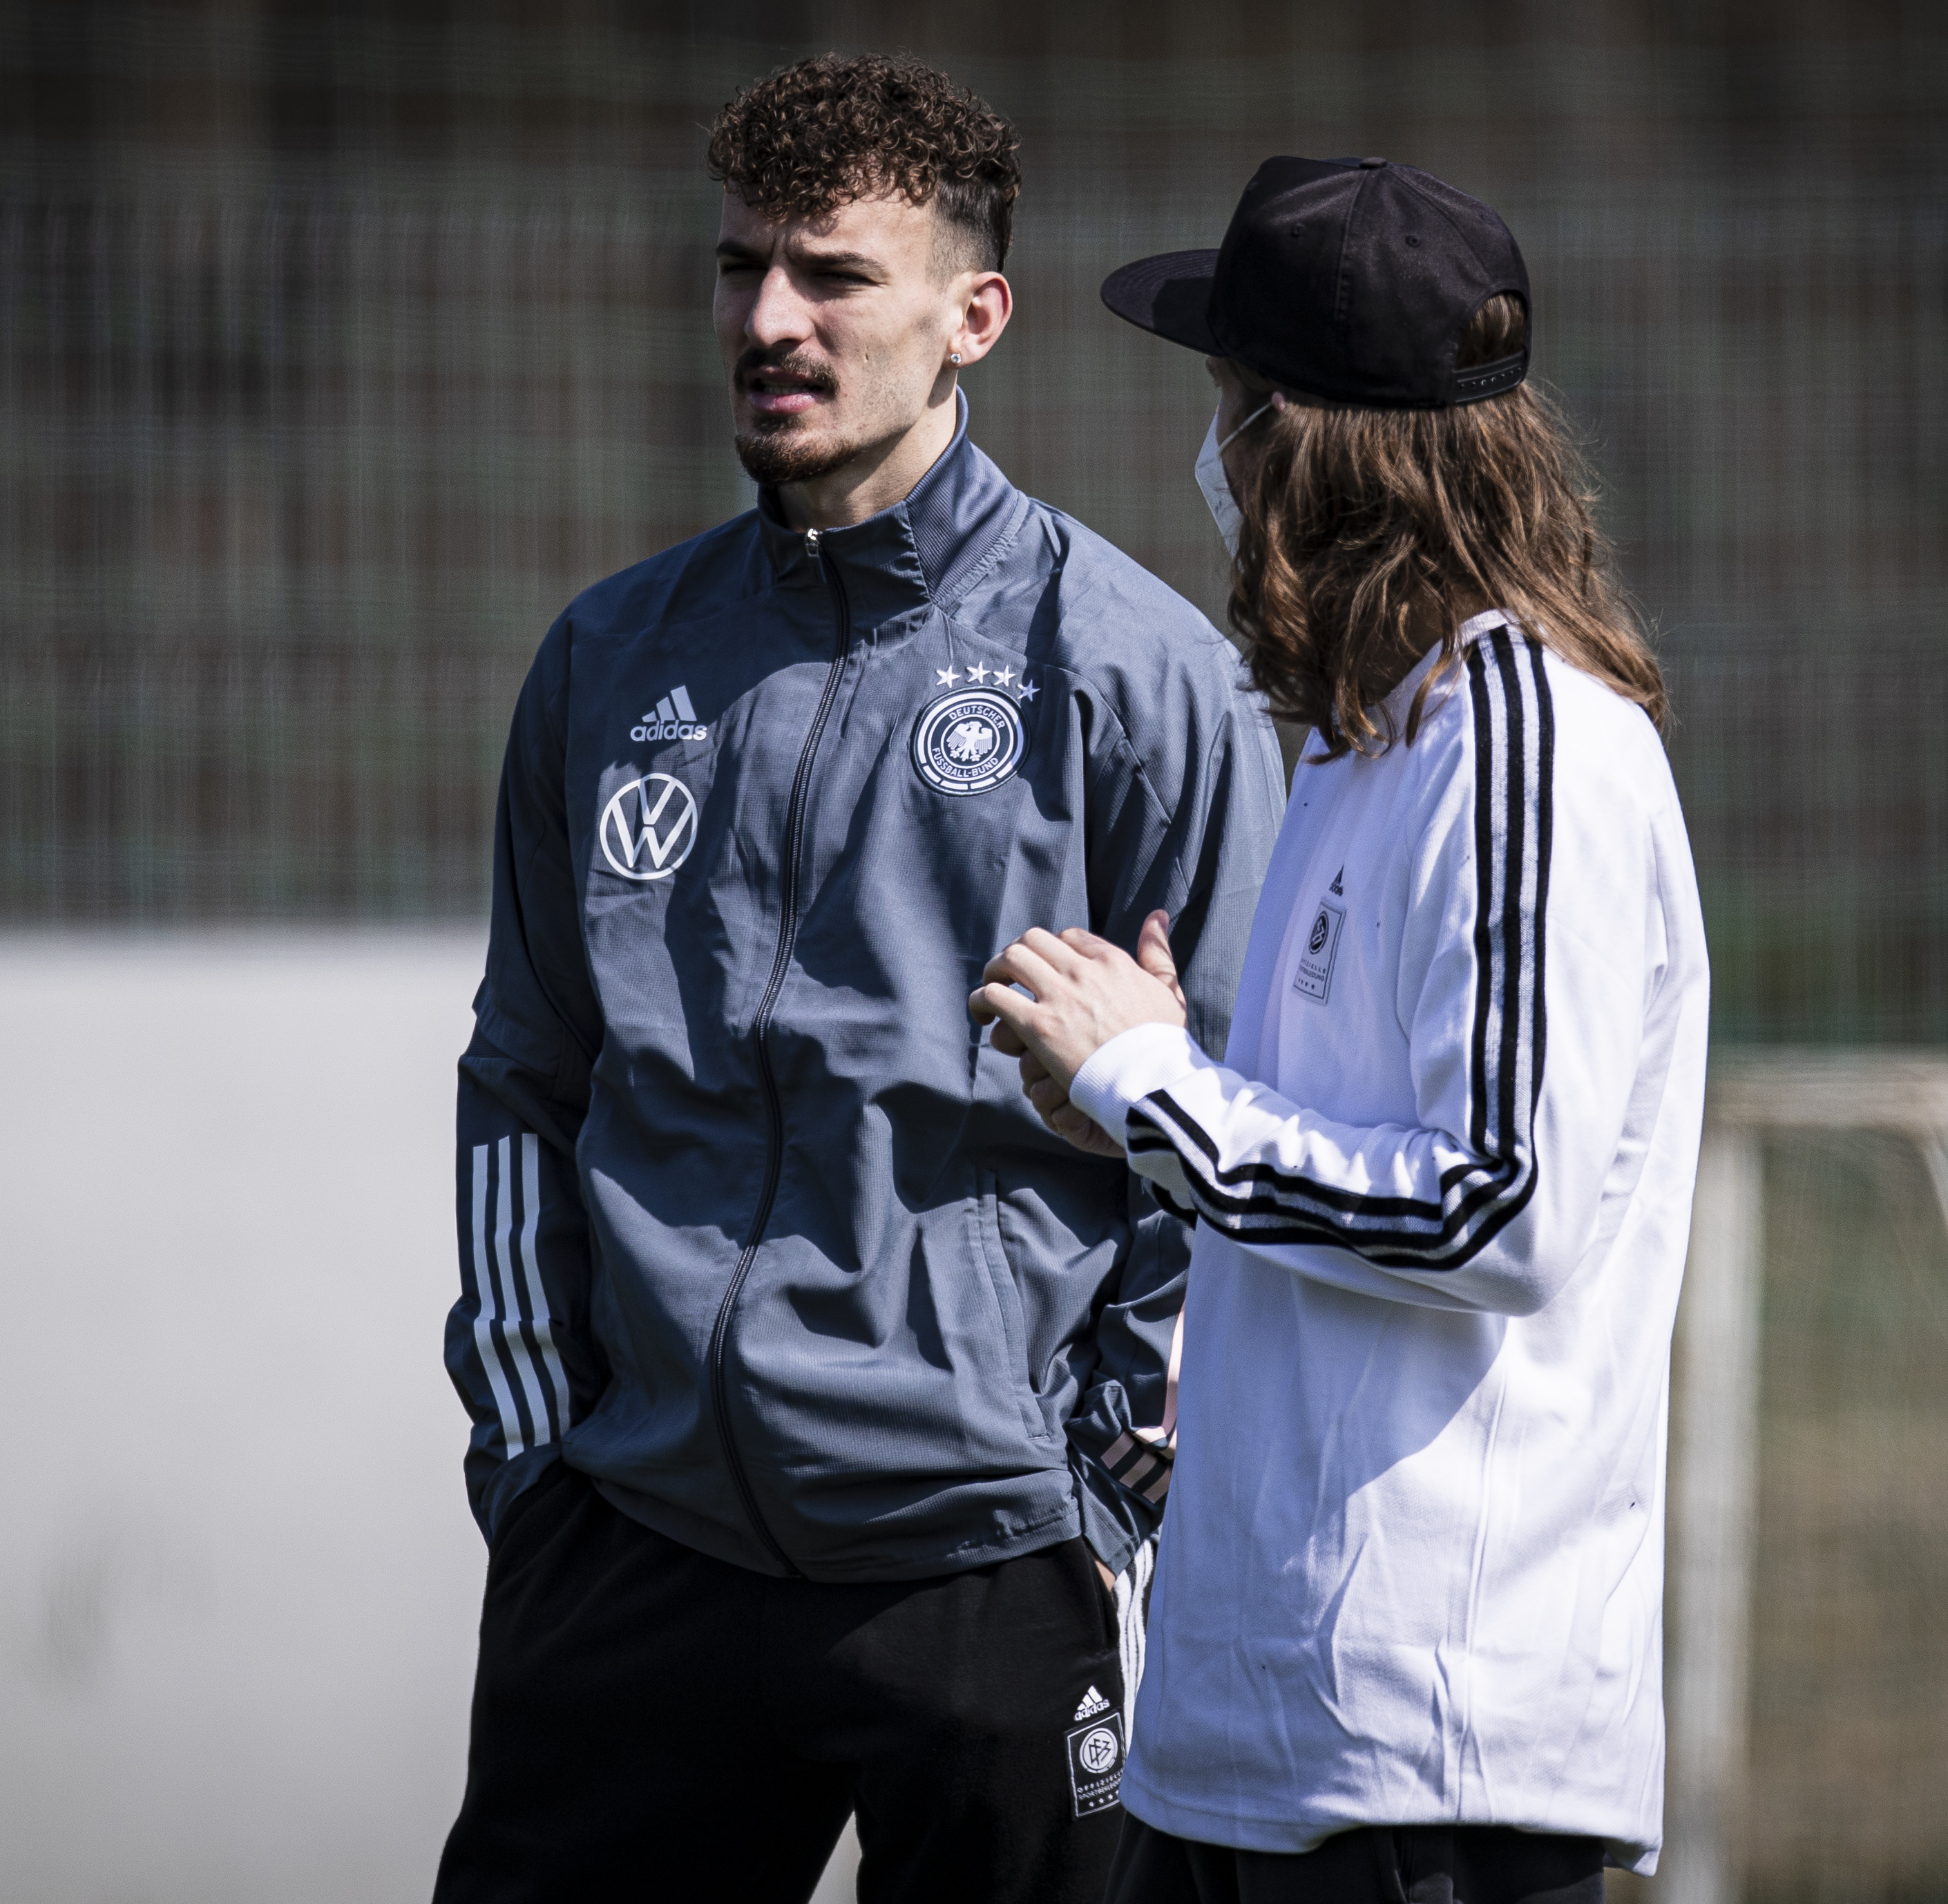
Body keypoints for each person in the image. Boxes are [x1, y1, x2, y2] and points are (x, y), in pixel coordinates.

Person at [432, 55, 1286, 1904]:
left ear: (972, 315)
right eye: (739, 268)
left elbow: (1221, 1125)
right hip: (631, 1543)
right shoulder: (609, 660)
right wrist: (531, 1453)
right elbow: (525, 1072)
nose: (765, 319)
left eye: (831, 274)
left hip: (979, 1563)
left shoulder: (1136, 676)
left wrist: (1096, 1487)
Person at [971, 158, 1710, 1903]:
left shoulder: (1528, 742)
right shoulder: (1366, 740)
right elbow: (1331, 1192)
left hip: (1426, 1760)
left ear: (1313, 447)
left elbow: (1490, 1208)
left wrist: (1153, 1086)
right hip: (1250, 1735)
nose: (1209, 462)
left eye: (1231, 409)